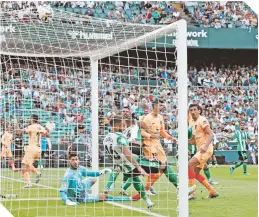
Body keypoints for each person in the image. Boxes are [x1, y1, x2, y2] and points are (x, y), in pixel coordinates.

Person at [103, 117, 154, 209]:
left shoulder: (106, 137)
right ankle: (147, 200)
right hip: (125, 162)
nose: (124, 127)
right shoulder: (120, 137)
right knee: (136, 179)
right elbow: (127, 153)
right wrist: (138, 167)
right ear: (117, 125)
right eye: (122, 125)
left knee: (118, 171)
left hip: (116, 161)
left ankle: (108, 188)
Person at [60, 152, 133, 206]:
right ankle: (130, 198)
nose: (75, 162)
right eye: (73, 160)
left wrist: (103, 171)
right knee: (104, 196)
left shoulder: (80, 168)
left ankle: (86, 193)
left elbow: (91, 173)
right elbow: (62, 191)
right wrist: (67, 201)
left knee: (93, 179)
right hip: (78, 198)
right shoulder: (68, 175)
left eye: (76, 159)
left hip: (81, 189)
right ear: (69, 161)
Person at [188, 104, 219, 200]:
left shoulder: (202, 120)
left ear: (199, 111)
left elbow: (211, 134)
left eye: (194, 110)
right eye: (191, 110)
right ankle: (212, 191)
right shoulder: (191, 122)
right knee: (195, 173)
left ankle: (192, 193)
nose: (192, 112)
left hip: (206, 149)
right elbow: (194, 140)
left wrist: (205, 146)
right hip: (200, 150)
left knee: (189, 165)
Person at [17, 114, 49, 188]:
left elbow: (19, 132)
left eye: (30, 118)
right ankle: (29, 182)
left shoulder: (31, 127)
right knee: (25, 165)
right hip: (38, 150)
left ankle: (37, 174)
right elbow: (48, 134)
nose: (29, 119)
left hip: (31, 149)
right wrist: (40, 134)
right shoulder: (40, 127)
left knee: (26, 165)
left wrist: (17, 123)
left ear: (32, 119)